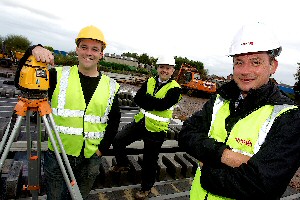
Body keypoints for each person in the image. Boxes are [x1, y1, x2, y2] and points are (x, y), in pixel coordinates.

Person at [178, 22, 300, 199]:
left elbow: (262, 185)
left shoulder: (289, 117)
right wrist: (226, 156)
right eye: (239, 62)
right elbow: (186, 134)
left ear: (273, 66)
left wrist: (207, 171)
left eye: (256, 62)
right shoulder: (220, 100)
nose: (245, 71)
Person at [14, 25, 121, 199]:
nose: (89, 53)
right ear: (77, 50)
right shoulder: (57, 76)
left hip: (90, 158)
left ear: (101, 54)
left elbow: (114, 120)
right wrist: (33, 49)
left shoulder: (110, 86)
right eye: (84, 47)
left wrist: (102, 149)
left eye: (95, 49)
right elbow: (21, 82)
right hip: (58, 156)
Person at [111, 56, 182, 199]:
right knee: (118, 139)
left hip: (157, 129)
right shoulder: (150, 81)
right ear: (157, 68)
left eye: (168, 68)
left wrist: (148, 101)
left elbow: (163, 105)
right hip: (141, 122)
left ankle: (146, 188)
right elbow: (137, 98)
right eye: (162, 67)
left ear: (172, 71)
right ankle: (123, 163)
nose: (164, 70)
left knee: (149, 161)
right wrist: (153, 102)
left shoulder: (175, 89)